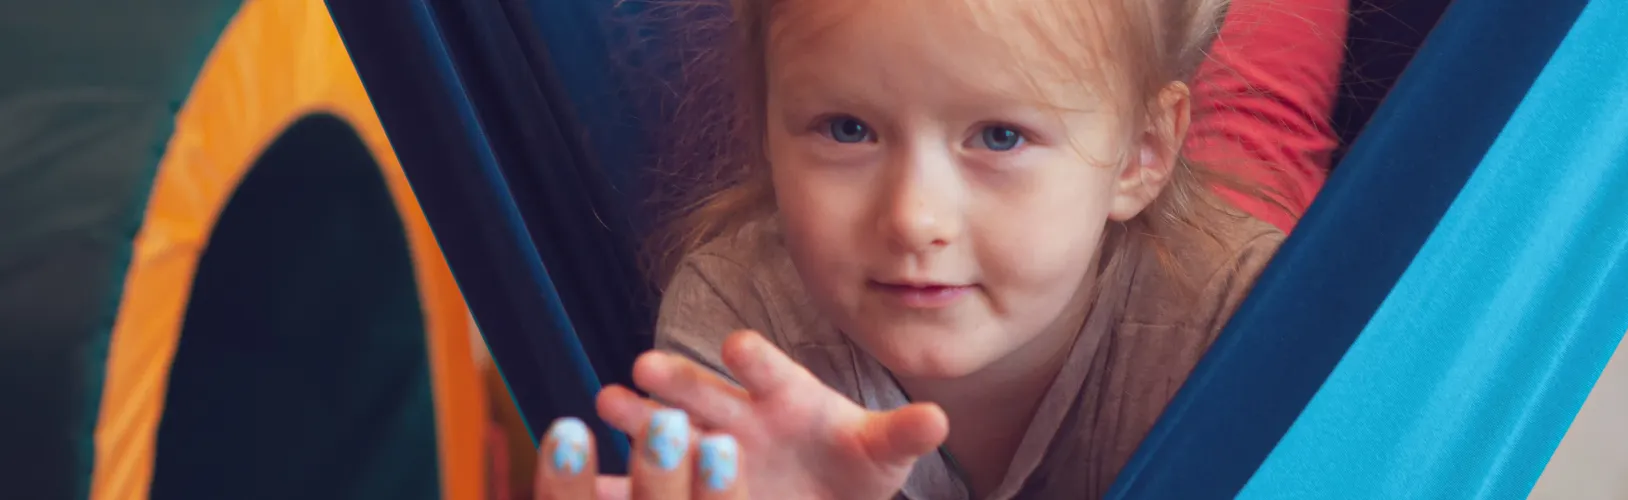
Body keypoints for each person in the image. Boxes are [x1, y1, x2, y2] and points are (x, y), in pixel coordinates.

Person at [526, 0, 1346, 497]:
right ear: (766, 126)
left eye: (999, 136)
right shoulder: (747, 321)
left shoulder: (1238, 329)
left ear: (1143, 152)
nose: (915, 219)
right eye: (847, 129)